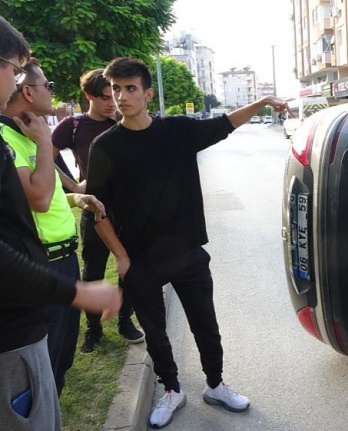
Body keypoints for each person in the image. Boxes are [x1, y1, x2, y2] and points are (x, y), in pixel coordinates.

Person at [86, 57, 289, 429]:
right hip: (140, 259)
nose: (122, 96)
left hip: (187, 252)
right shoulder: (105, 146)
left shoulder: (177, 131)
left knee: (205, 324)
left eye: (130, 88)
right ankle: (172, 389)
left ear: (147, 93)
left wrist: (261, 103)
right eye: (116, 89)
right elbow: (96, 210)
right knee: (156, 333)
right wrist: (121, 257)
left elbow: (224, 124)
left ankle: (215, 384)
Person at [0, 16, 122, 431]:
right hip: (38, 273)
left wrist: (74, 196)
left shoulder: (27, 133)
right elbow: (35, 197)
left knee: (55, 369)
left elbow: (37, 197)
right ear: (28, 89)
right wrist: (43, 142)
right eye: (44, 83)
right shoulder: (14, 139)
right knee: (35, 382)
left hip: (56, 263)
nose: (51, 91)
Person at [52, 69, 144, 353]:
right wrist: (72, 185)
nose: (113, 101)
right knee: (93, 269)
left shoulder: (126, 121)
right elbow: (42, 155)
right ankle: (93, 329)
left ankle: (125, 321)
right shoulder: (73, 125)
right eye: (106, 97)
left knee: (128, 266)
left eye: (115, 94)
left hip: (128, 211)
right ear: (89, 96)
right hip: (94, 209)